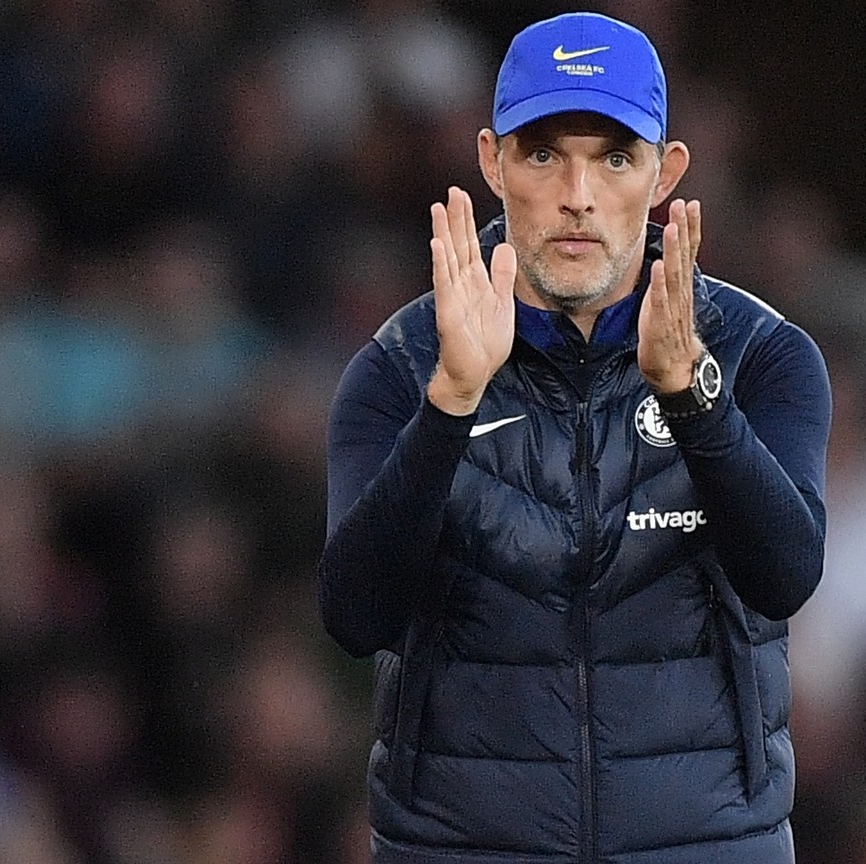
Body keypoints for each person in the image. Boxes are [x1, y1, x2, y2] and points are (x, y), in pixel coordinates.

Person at [318, 12, 831, 863]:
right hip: (461, 845)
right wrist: (450, 403)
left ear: (666, 173)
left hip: (706, 844)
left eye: (615, 158)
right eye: (544, 153)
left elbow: (784, 575)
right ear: (492, 162)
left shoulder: (760, 357)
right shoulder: (403, 367)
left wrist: (695, 401)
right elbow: (355, 613)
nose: (578, 196)